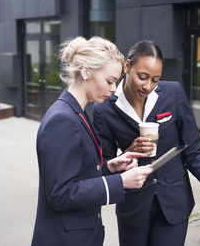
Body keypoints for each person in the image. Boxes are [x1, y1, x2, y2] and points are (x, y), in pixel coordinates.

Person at [93, 40, 200, 246]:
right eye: (142, 77)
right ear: (127, 66)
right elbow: (104, 165)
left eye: (155, 80)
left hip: (174, 202)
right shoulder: (104, 109)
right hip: (134, 205)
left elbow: (193, 153)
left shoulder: (173, 94)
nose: (148, 86)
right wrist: (127, 153)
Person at [31, 37, 153, 246]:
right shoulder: (62, 119)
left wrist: (109, 167)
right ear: (86, 72)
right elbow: (60, 194)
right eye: (109, 81)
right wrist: (121, 182)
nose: (114, 88)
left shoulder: (76, 112)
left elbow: (77, 173)